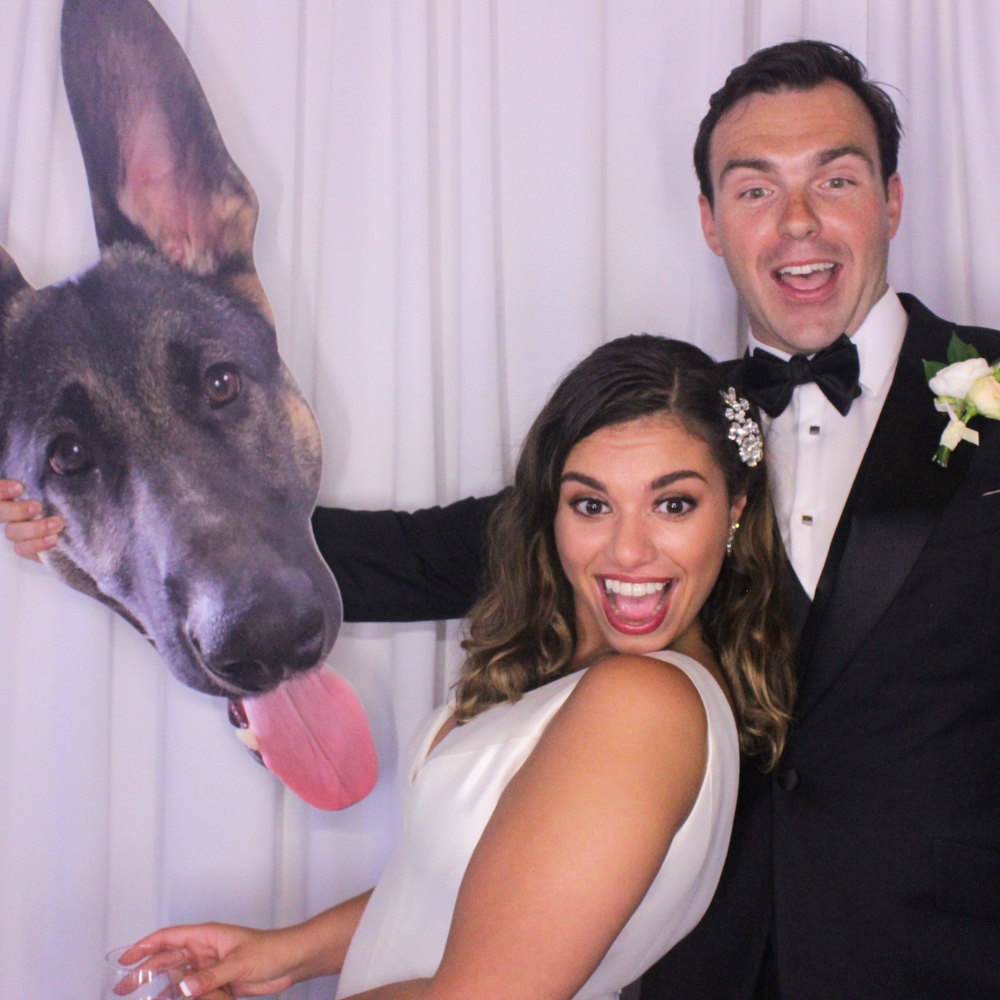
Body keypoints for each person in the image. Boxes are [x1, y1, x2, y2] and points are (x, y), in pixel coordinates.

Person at [5, 38, 1000, 999]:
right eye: (753, 188)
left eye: (833, 180)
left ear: (891, 199)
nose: (795, 223)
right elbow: (408, 561)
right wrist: (83, 526)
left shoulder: (986, 388)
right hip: (707, 970)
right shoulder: (661, 435)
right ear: (708, 218)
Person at [115, 336, 793, 999]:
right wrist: (283, 953)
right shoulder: (594, 677)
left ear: (733, 510)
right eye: (591, 504)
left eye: (673, 504)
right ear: (552, 512)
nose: (629, 549)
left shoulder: (643, 706)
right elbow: (473, 895)